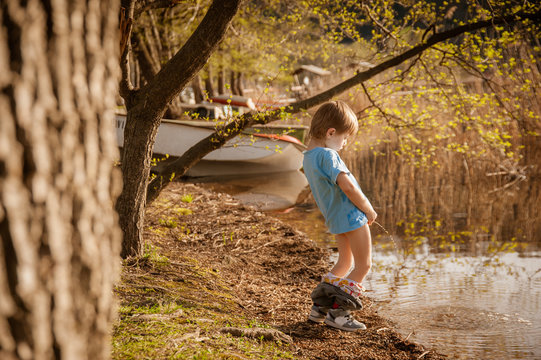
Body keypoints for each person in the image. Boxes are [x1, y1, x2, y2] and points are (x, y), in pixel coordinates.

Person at [302, 100, 377, 332]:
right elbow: (348, 187)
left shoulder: (309, 156)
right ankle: (339, 312)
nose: (344, 144)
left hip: (335, 218)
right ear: (331, 132)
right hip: (352, 217)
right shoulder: (328, 156)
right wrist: (368, 208)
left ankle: (319, 308)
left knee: (345, 263)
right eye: (344, 138)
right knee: (364, 265)